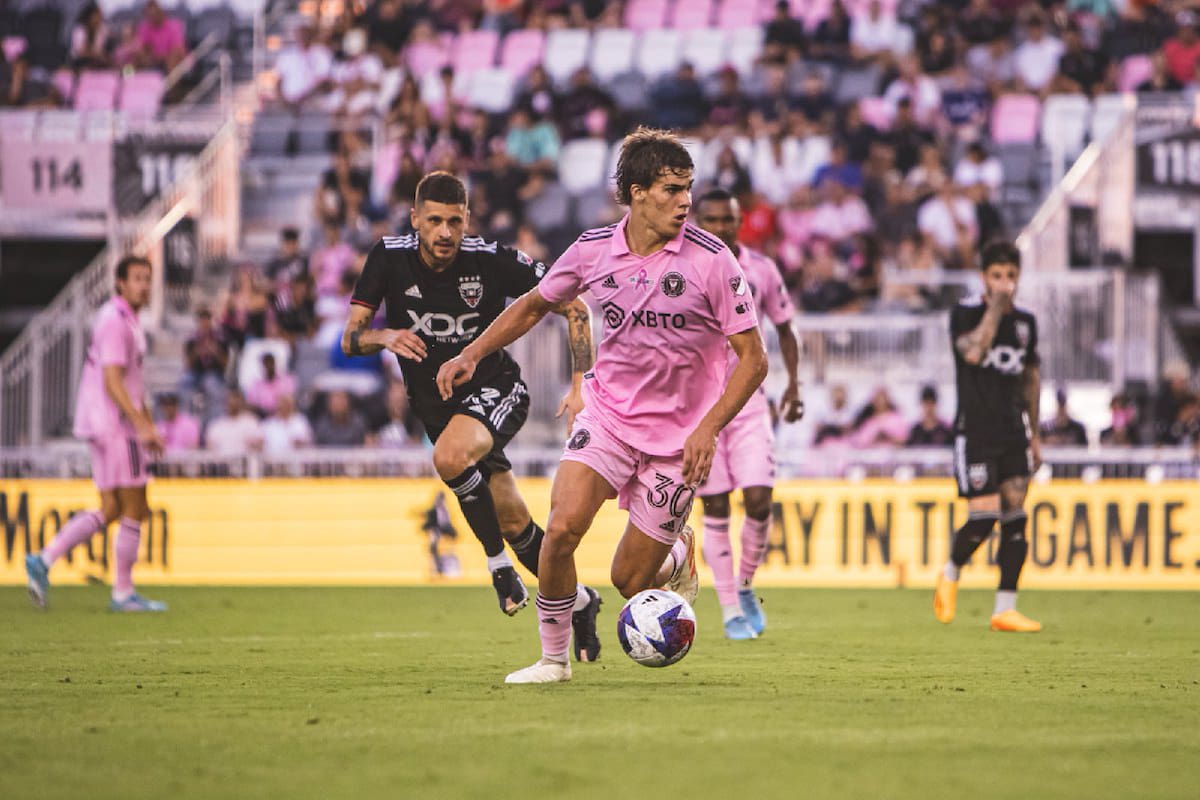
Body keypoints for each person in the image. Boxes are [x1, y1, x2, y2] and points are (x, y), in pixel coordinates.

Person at [436, 128, 769, 683]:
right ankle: (553, 660)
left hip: (679, 442)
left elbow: (753, 359)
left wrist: (709, 429)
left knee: (631, 581)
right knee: (562, 528)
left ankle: (677, 555)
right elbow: (534, 305)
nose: (685, 201)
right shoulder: (593, 250)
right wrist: (471, 353)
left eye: (688, 188)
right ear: (637, 193)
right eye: (671, 189)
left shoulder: (713, 261)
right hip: (609, 420)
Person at [341, 171, 602, 655]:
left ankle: (497, 568)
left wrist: (579, 384)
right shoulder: (387, 257)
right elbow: (350, 337)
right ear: (415, 218)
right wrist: (385, 336)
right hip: (436, 409)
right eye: (434, 220)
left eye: (454, 222)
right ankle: (581, 599)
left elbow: (576, 307)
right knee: (515, 521)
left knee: (449, 458)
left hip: (497, 389)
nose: (445, 232)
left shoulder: (491, 261)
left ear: (467, 222)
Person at [25, 256, 167, 612]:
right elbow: (113, 380)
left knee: (111, 507)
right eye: (136, 278)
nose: (143, 285)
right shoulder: (115, 321)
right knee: (136, 505)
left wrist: (146, 421)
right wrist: (140, 425)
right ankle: (122, 592)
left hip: (103, 423)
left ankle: (44, 559)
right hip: (115, 425)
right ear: (119, 283)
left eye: (147, 278)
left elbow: (132, 382)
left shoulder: (125, 320)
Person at [692, 188, 802, 640]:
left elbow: (785, 327)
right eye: (712, 220)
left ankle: (746, 584)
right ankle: (730, 609)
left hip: (750, 403)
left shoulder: (762, 270)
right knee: (715, 505)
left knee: (759, 498)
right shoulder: (685, 268)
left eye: (728, 220)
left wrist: (794, 384)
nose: (720, 228)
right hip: (700, 408)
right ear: (699, 221)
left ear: (740, 222)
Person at [935, 241, 1043, 633]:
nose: (1005, 283)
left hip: (1014, 432)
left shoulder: (1027, 324)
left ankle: (1005, 608)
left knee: (1016, 516)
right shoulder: (964, 315)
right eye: (997, 276)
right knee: (983, 517)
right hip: (976, 434)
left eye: (1011, 276)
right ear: (984, 277)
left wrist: (1035, 435)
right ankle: (950, 572)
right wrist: (995, 310)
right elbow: (974, 354)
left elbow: (1031, 378)